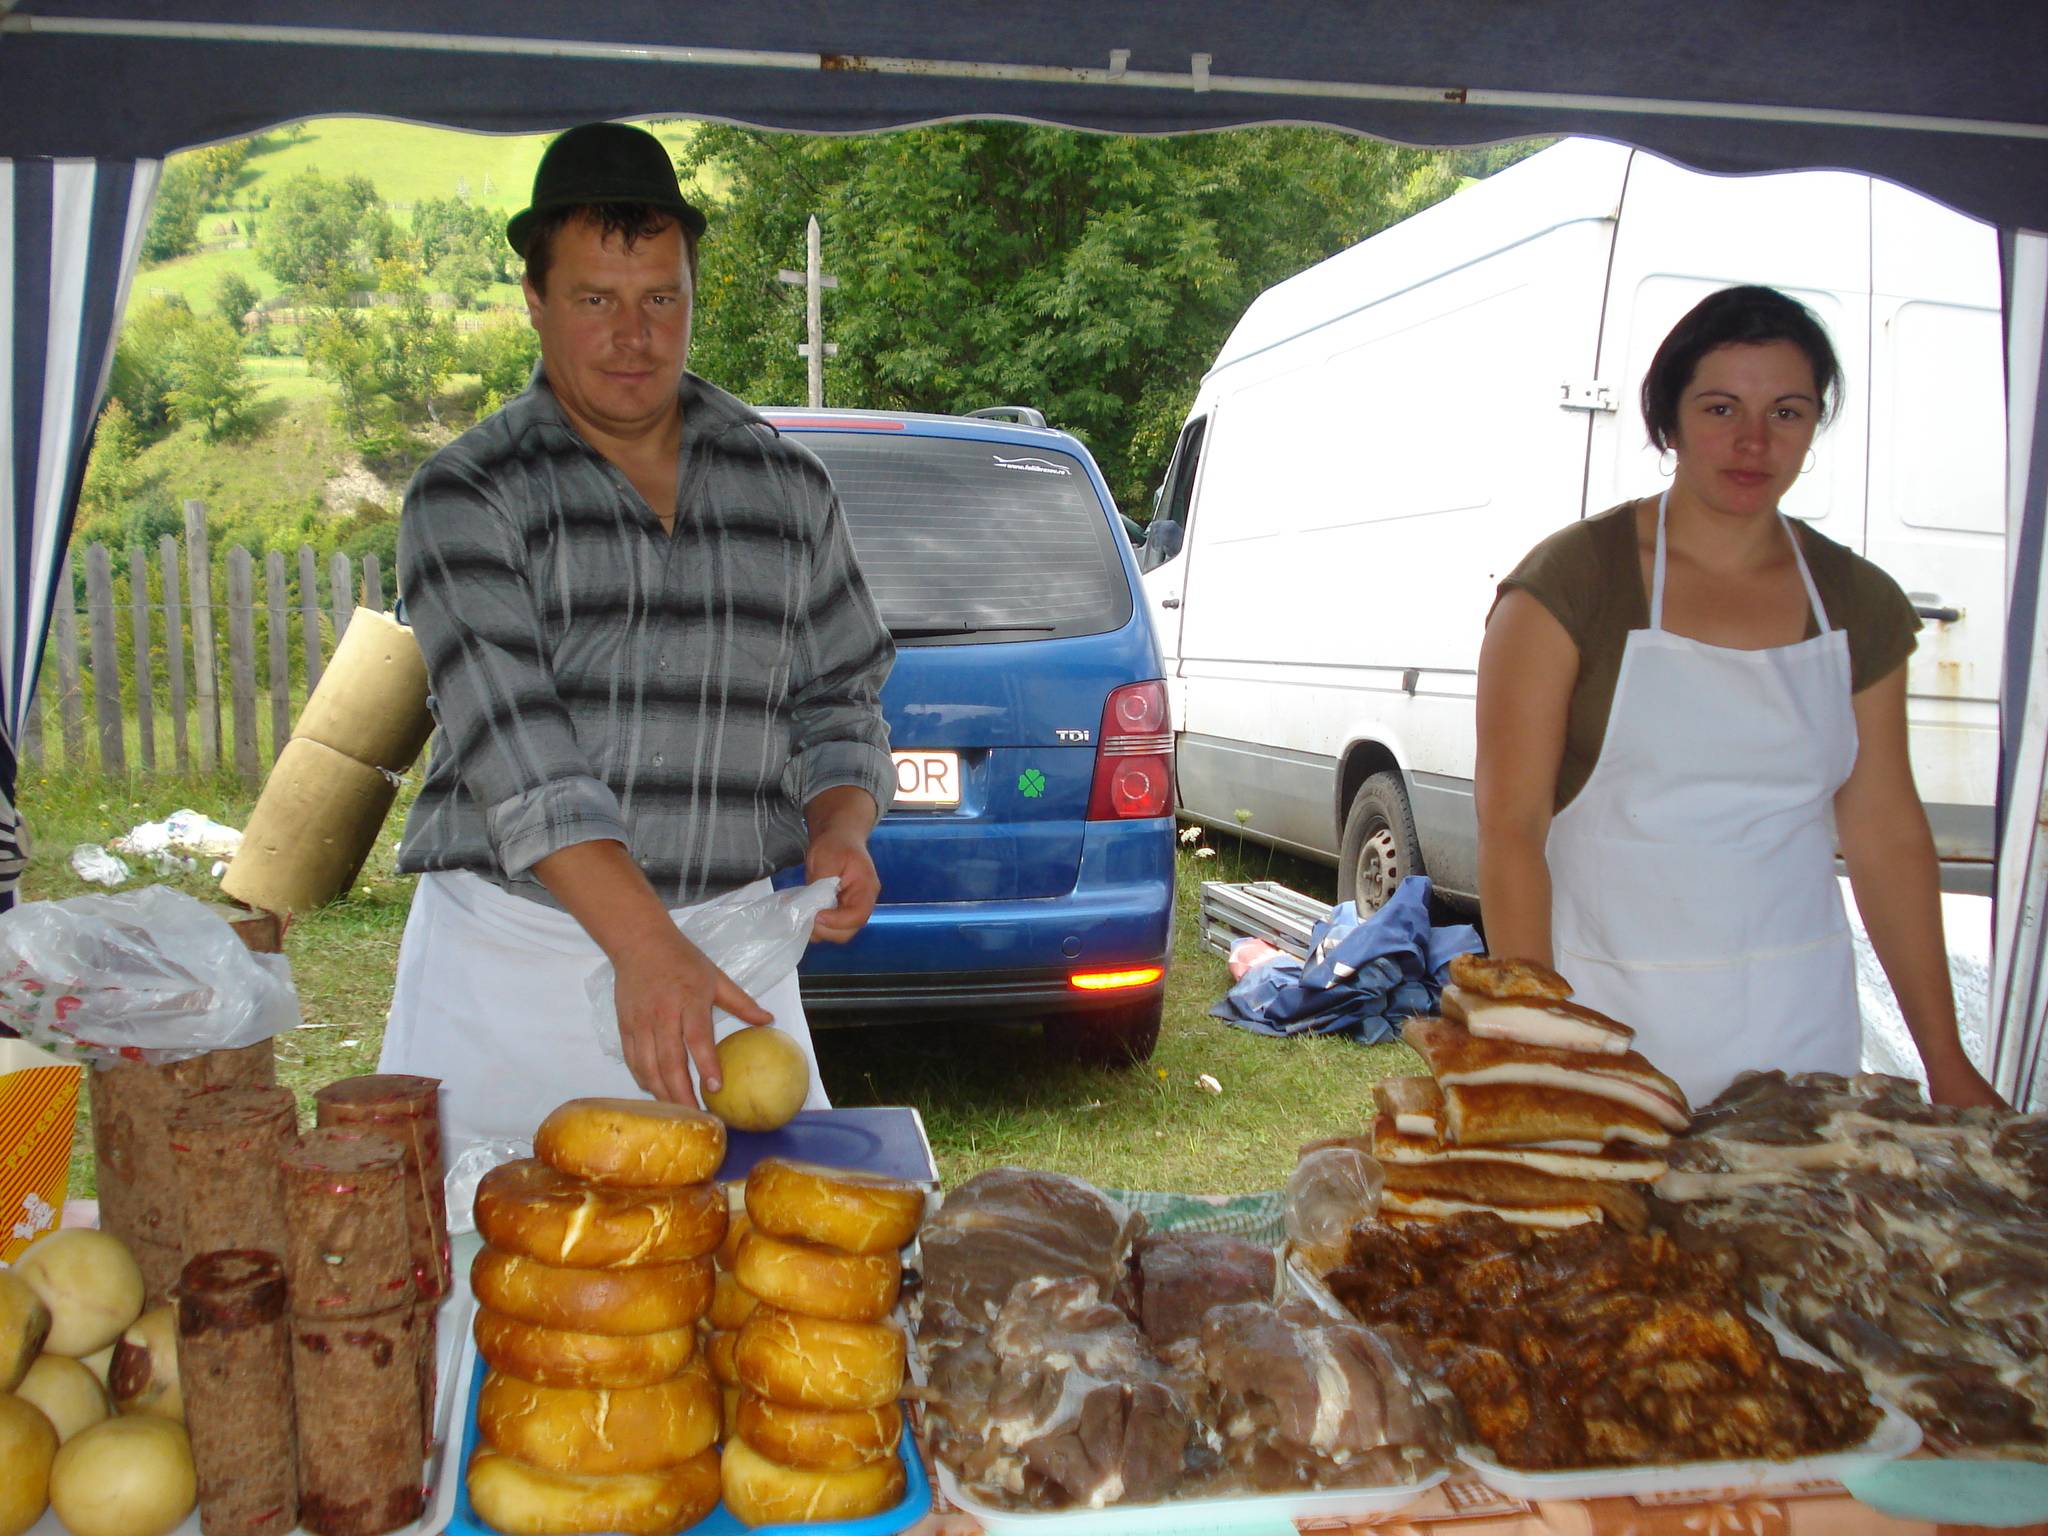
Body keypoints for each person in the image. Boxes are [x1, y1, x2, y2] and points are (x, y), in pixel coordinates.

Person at [378, 122, 896, 1147]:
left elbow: (839, 689)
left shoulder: (785, 484)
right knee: (479, 1268)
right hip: (508, 962)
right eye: (595, 300)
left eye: (661, 298)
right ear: (534, 300)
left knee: (753, 1267)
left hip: (731, 957)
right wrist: (644, 948)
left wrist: (840, 823)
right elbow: (517, 751)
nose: (634, 334)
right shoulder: (465, 494)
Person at [1474, 284, 2002, 1110]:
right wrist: (1541, 1040)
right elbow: (1511, 829)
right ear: (1668, 419)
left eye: (1787, 412)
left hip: (1799, 1034)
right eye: (1721, 408)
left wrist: (1947, 1058)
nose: (1754, 441)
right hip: (1605, 1020)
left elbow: (1885, 832)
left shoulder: (1856, 600)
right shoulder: (1569, 584)